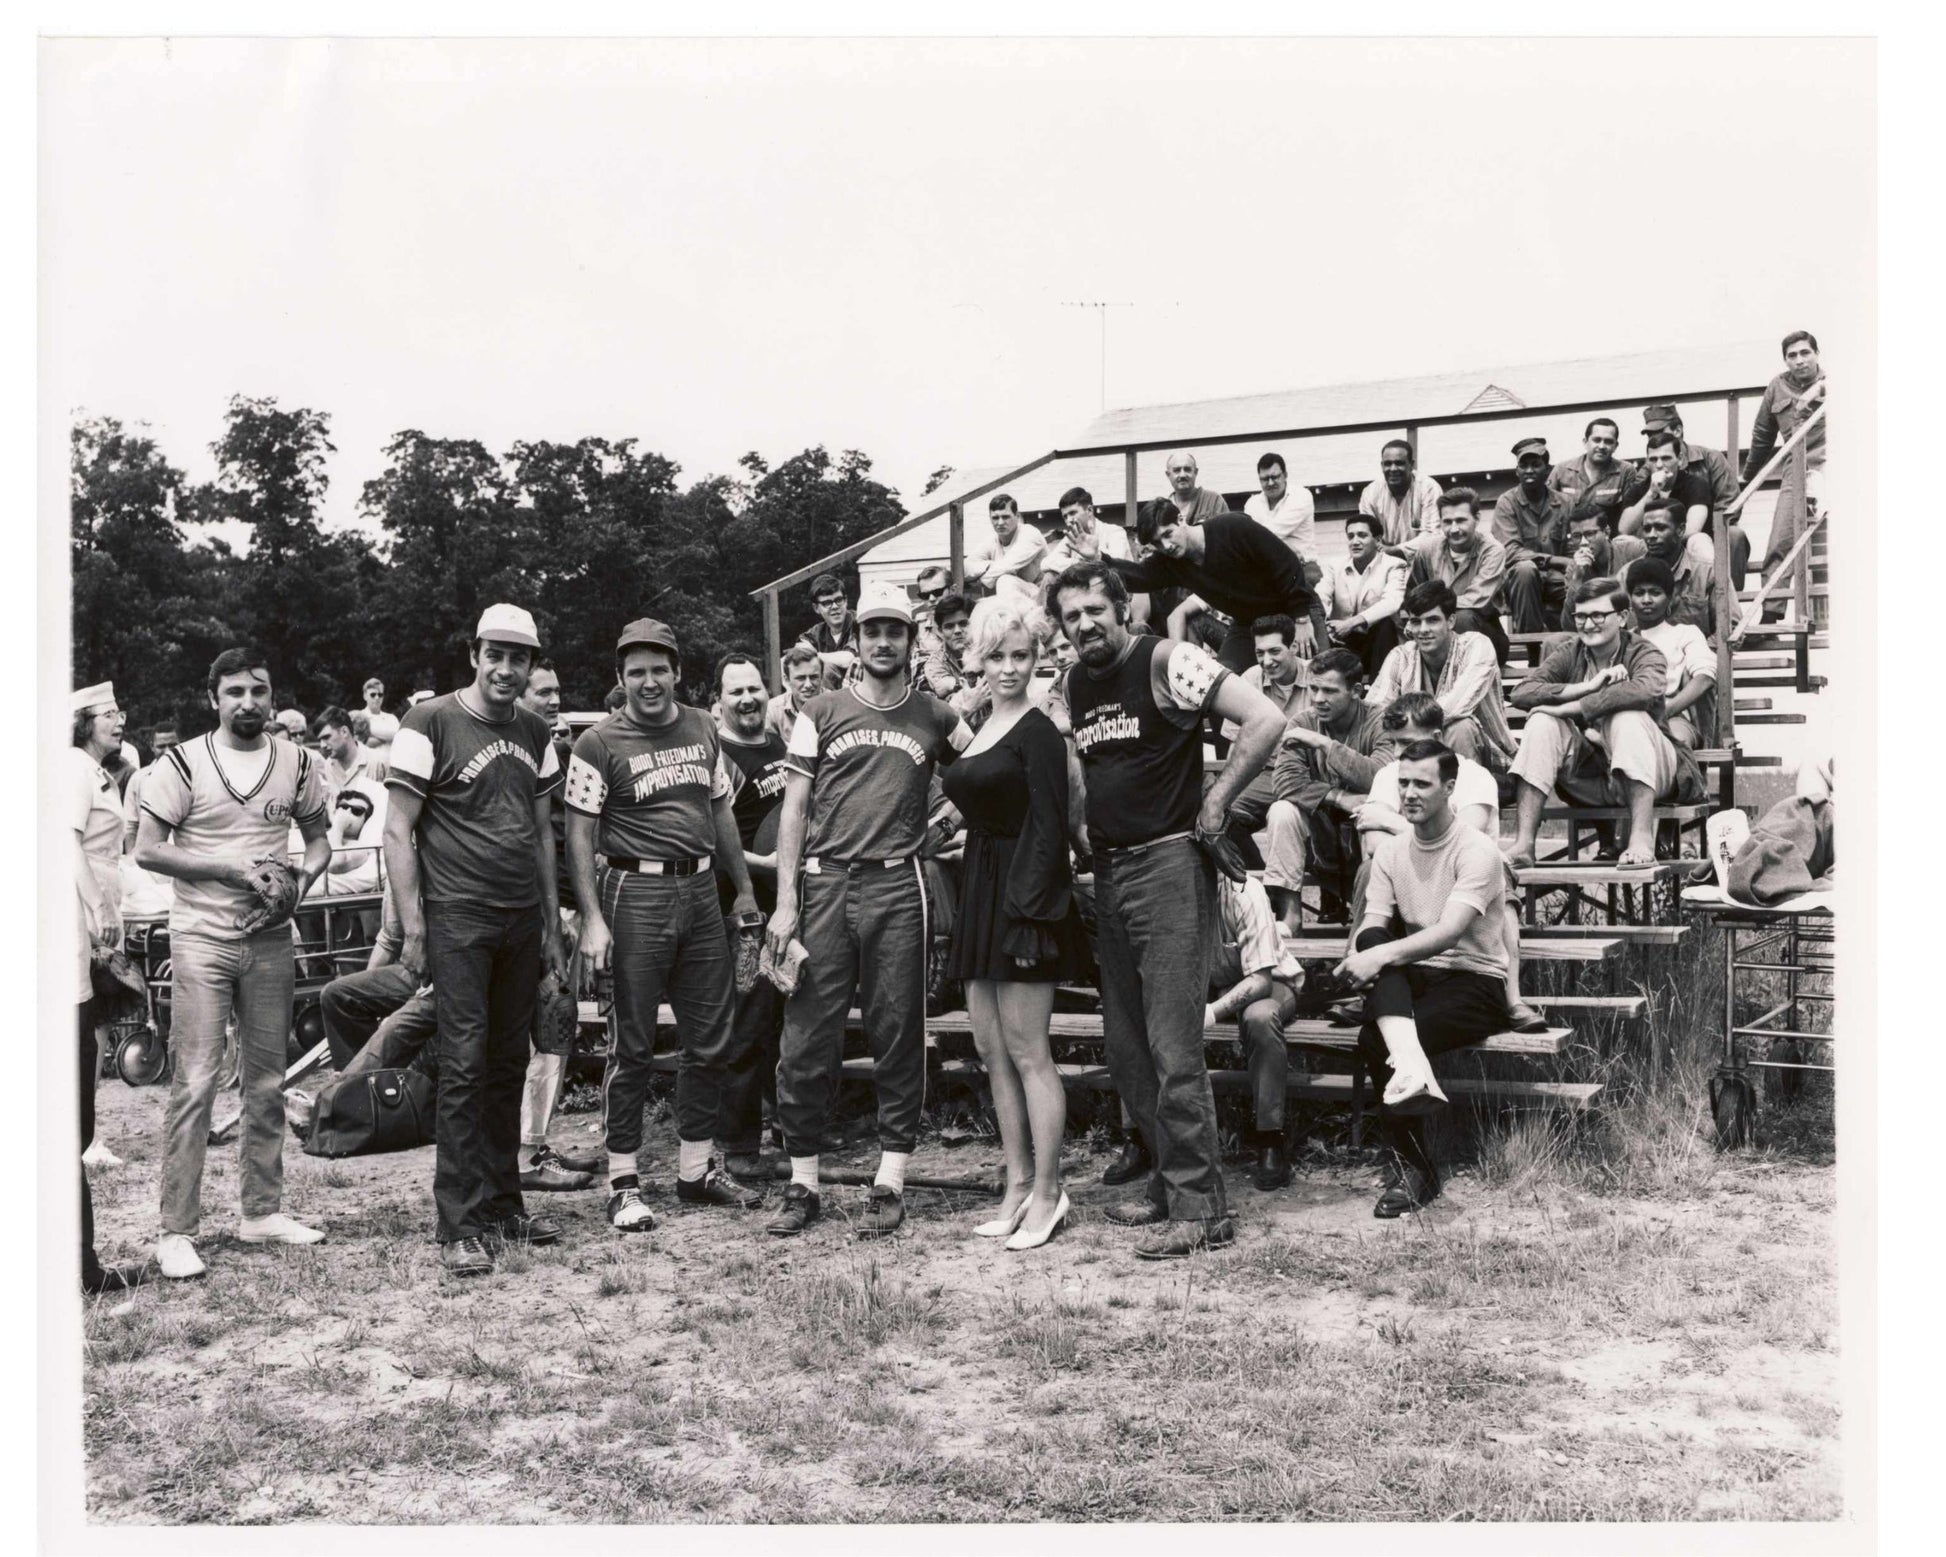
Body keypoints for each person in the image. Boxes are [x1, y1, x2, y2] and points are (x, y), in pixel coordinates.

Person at [1053, 559, 1286, 1259]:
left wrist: (1216, 804)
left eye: (1096, 610)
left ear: (1123, 607)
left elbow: (1266, 718)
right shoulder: (1075, 681)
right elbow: (1087, 766)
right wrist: (1080, 824)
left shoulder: (1166, 659)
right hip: (1109, 871)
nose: (1086, 625)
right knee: (1127, 1048)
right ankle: (1166, 1179)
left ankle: (1203, 1207)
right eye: (1072, 616)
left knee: (1172, 1045)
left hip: (1169, 864)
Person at [762, 582, 975, 1238]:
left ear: (912, 640)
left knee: (897, 1029)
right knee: (806, 1035)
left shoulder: (935, 714)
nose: (883, 641)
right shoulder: (821, 709)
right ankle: (802, 1181)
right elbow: (795, 807)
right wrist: (786, 901)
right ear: (855, 639)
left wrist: (945, 824)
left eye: (895, 631)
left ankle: (891, 1178)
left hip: (898, 884)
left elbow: (985, 773)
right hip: (826, 882)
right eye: (872, 630)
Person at [133, 649, 333, 1279]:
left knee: (267, 1080)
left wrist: (298, 884)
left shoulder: (297, 761)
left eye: (259, 690)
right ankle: (176, 1230)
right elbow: (147, 850)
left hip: (270, 940)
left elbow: (319, 842)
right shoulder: (183, 762)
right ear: (213, 698)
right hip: (202, 936)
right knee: (196, 1080)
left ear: (272, 696)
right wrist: (231, 870)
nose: (248, 702)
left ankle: (262, 1211)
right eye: (235, 692)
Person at [383, 604, 568, 1278]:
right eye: (496, 654)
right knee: (463, 1063)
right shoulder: (428, 721)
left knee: (507, 1063)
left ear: (531, 664)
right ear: (474, 653)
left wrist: (552, 928)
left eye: (519, 658)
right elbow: (397, 829)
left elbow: (542, 835)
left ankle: (502, 1204)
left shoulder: (536, 729)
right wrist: (413, 926)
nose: (506, 669)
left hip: (520, 919)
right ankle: (458, 1222)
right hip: (458, 917)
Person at [567, 619, 764, 1231]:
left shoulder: (703, 726)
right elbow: (578, 836)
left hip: (701, 888)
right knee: (631, 1043)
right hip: (635, 888)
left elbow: (720, 809)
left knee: (710, 1038)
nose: (648, 682)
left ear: (677, 672)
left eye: (659, 670)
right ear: (620, 677)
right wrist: (592, 918)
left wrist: (744, 890)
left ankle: (695, 1170)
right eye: (636, 672)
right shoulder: (597, 742)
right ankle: (623, 1181)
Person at [940, 597, 1093, 1250]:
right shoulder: (983, 723)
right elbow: (977, 796)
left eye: (1021, 655)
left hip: (1024, 896)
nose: (1009, 667)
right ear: (978, 658)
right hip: (979, 886)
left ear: (1037, 659)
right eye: (997, 655)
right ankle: (1017, 1183)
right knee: (991, 1050)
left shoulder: (1040, 730)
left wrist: (1030, 917)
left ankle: (1051, 1192)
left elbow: (1050, 828)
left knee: (1030, 1051)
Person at [1335, 741, 1512, 1217]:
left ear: (1449, 788)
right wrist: (1363, 956)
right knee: (1373, 939)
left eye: (1422, 784)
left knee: (1378, 1036)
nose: (1409, 793)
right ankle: (1412, 1155)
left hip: (1474, 981)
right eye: (1403, 783)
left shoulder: (1478, 850)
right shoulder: (1391, 852)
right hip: (1415, 974)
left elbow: (1449, 933)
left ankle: (1415, 1170)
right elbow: (1374, 924)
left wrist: (1376, 958)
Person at [1348, 694, 1546, 1034]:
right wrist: (1409, 833)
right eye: (1393, 743)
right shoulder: (1390, 774)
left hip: (1472, 874)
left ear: (1437, 737)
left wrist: (1389, 820)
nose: (1397, 753)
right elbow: (1374, 845)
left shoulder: (1474, 776)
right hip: (1414, 867)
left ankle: (1513, 995)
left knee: (1498, 877)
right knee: (1372, 868)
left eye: (1407, 742)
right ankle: (1362, 977)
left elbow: (1464, 837)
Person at [1505, 578, 1703, 868]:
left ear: (1622, 617)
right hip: (1592, 775)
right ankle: (1524, 845)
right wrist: (1586, 687)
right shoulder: (1570, 652)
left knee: (1627, 717)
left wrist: (1575, 707)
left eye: (1598, 615)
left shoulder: (1645, 652)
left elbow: (1644, 691)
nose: (1588, 625)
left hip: (1652, 773)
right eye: (1581, 616)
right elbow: (1521, 692)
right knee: (1542, 722)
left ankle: (1640, 838)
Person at [72, 683, 150, 1293]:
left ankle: (80, 1260)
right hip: (75, 921)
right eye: (108, 713)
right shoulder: (74, 768)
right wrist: (99, 906)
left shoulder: (99, 772)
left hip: (90, 916)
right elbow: (68, 844)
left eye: (121, 711)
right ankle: (79, 1262)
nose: (119, 720)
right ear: (82, 722)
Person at [515, 658, 599, 1193]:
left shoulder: (561, 758)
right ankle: (522, 1153)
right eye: (543, 692)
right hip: (521, 915)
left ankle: (533, 1144)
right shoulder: (510, 757)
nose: (554, 701)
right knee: (532, 1034)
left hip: (563, 913)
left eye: (557, 691)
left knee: (555, 1028)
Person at [713, 653, 796, 1181]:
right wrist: (767, 864)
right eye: (736, 691)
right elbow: (711, 838)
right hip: (743, 909)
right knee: (747, 1022)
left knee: (785, 1018)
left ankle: (786, 1125)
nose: (747, 699)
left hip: (786, 902)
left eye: (754, 689)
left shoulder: (777, 745)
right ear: (718, 701)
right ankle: (739, 1143)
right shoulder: (720, 756)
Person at [1073, 499, 1319, 675]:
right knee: (1221, 684)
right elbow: (1139, 576)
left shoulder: (1232, 527)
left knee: (1318, 674)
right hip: (1249, 624)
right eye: (1157, 543)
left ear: (1181, 519)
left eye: (1168, 534)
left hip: (1296, 609)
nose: (1166, 546)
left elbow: (1285, 562)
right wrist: (1099, 558)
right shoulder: (1171, 562)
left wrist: (1301, 618)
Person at [1269, 649, 1386, 923]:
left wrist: (1325, 744)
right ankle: (1290, 916)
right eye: (1314, 689)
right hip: (1321, 829)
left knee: (1373, 812)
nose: (1318, 699)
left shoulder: (1379, 720)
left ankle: (1370, 922)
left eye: (1330, 691)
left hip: (1367, 830)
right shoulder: (1302, 722)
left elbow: (1383, 776)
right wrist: (1338, 797)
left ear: (1355, 691)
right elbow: (1284, 781)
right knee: (1282, 811)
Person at [1205, 874, 1305, 1191]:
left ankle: (1270, 1138)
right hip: (1212, 986)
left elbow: (1261, 981)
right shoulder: (1172, 885)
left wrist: (1210, 1013)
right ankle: (1147, 1139)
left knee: (1259, 1017)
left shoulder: (1246, 891)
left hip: (1271, 982)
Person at [1365, 580, 1516, 771]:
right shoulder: (1401, 656)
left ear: (1451, 621)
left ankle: (1462, 790)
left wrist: (1409, 731)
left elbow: (1456, 706)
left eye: (1433, 620)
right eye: (1416, 622)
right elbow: (1376, 712)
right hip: (1419, 757)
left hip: (1490, 761)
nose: (1423, 630)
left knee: (1459, 728)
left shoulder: (1477, 645)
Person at [1221, 615, 1310, 928]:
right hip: (1263, 773)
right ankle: (1264, 893)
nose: (1267, 661)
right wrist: (1227, 791)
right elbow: (1235, 744)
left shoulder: (1317, 676)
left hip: (1306, 774)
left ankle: (1288, 905)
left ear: (1294, 647)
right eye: (1260, 653)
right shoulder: (1250, 679)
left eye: (1275, 651)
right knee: (1220, 817)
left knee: (1287, 818)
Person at [1620, 405, 1748, 587]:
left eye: (1659, 432)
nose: (1659, 464)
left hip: (1705, 534)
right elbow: (1627, 524)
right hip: (1658, 538)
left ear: (1678, 430)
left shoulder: (1710, 459)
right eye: (1649, 435)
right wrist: (1652, 492)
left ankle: (1724, 595)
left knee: (1732, 535)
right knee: (1622, 543)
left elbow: (1728, 505)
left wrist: (1705, 533)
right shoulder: (1645, 473)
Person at [1743, 330, 1827, 584]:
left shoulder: (1835, 380)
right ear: (1785, 360)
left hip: (1832, 464)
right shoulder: (1777, 387)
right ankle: (1771, 604)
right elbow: (1762, 437)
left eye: (1805, 353)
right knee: (1780, 542)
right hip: (1796, 469)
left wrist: (1820, 388)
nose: (1799, 360)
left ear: (1817, 354)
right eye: (1792, 355)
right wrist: (1747, 480)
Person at [1407, 487, 1510, 662]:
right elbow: (1414, 593)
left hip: (1485, 635)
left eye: (1461, 520)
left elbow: (1476, 599)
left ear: (1477, 518)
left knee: (1462, 617)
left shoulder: (1492, 551)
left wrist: (1434, 607)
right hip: (1437, 633)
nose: (1454, 529)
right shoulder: (1427, 550)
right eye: (1447, 522)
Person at [1626, 559, 1717, 750]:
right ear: (1630, 599)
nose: (1646, 600)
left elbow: (1705, 679)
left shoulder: (1685, 633)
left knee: (1673, 744)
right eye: (1639, 593)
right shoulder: (1623, 639)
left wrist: (1663, 712)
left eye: (1655, 593)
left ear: (1670, 597)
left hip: (1673, 717)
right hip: (1627, 718)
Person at [1492, 437, 1576, 635]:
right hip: (1517, 580)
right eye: (1524, 466)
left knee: (1580, 582)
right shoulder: (1507, 502)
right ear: (1517, 471)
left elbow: (1573, 546)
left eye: (1536, 465)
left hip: (1556, 578)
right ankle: (1532, 645)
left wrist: (1573, 569)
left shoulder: (1566, 503)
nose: (1529, 470)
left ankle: (1577, 642)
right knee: (1526, 570)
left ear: (1547, 469)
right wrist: (1554, 560)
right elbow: (1509, 552)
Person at [1322, 513, 1407, 679]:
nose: (1355, 541)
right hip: (1342, 640)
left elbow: (1392, 602)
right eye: (1351, 536)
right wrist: (1325, 624)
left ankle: (1380, 686)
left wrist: (1351, 623)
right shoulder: (1334, 565)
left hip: (1377, 642)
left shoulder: (1394, 565)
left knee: (1385, 623)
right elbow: (1321, 595)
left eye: (1362, 535)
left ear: (1378, 540)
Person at [1620, 500, 1717, 636]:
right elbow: (1616, 629)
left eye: (1660, 528)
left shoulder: (1707, 572)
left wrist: (1696, 647)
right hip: (1641, 648)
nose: (1651, 535)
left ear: (1681, 530)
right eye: (1647, 529)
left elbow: (1729, 628)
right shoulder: (1626, 574)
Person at [1547, 417, 1636, 535]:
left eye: (1608, 441)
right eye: (1596, 440)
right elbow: (1546, 509)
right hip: (1569, 538)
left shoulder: (1625, 471)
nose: (1602, 446)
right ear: (1585, 442)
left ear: (1616, 446)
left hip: (1607, 539)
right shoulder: (1562, 470)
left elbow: (1631, 514)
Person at [1358, 439, 1444, 552]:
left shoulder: (1428, 488)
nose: (1393, 469)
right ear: (1382, 466)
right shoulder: (1370, 493)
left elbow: (1432, 536)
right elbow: (1367, 534)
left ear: (1411, 465)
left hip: (1423, 557)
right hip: (1383, 557)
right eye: (1388, 464)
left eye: (1399, 463)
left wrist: (1394, 550)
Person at [920, 589, 991, 726]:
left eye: (963, 623)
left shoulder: (989, 650)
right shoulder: (934, 663)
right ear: (940, 631)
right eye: (949, 626)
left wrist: (954, 684)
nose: (957, 631)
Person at [964, 493, 1048, 599]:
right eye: (995, 518)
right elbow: (966, 567)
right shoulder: (992, 540)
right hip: (1016, 596)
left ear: (1017, 516)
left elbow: (1006, 567)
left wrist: (978, 580)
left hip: (1042, 595)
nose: (1000, 522)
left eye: (1005, 517)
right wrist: (988, 565)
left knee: (1005, 580)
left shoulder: (1030, 534)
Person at [307, 784, 385, 895]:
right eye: (343, 807)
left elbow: (334, 864)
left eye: (356, 811)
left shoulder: (359, 847)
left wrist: (338, 827)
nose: (347, 813)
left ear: (365, 820)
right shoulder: (315, 835)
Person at [1043, 487, 1133, 579]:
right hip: (1086, 585)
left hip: (1113, 585)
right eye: (1065, 517)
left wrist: (1094, 556)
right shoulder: (1072, 536)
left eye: (1072, 513)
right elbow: (1045, 563)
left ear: (1089, 510)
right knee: (1049, 576)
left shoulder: (1115, 532)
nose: (1068, 520)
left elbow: (1114, 566)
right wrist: (1080, 563)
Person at [317, 705, 387, 794]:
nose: (322, 745)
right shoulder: (329, 765)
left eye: (326, 737)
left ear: (344, 732)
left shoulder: (378, 761)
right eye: (320, 740)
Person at [766, 644, 827, 743]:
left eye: (813, 677)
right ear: (787, 680)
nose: (808, 684)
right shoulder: (774, 710)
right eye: (801, 678)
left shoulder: (837, 707)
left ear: (822, 677)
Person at [797, 573, 858, 662]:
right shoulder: (818, 632)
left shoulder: (859, 623)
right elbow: (799, 649)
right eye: (827, 603)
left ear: (846, 601)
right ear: (816, 608)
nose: (834, 606)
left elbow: (848, 659)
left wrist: (813, 656)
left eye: (839, 600)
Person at [1159, 451, 1230, 523]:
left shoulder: (1214, 500)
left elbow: (1228, 528)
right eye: (1177, 470)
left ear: (1195, 472)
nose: (1182, 475)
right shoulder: (1162, 509)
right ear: (1168, 475)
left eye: (1187, 469)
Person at [361, 679, 400, 751]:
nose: (377, 698)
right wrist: (389, 738)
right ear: (365, 696)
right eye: (373, 695)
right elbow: (360, 743)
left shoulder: (392, 718)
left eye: (380, 695)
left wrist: (369, 732)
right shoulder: (360, 717)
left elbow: (399, 736)